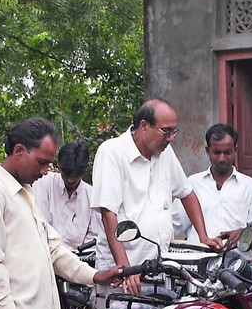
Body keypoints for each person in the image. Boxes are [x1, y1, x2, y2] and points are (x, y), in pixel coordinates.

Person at [0, 118, 121, 309]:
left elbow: (54, 249)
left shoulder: (26, 193)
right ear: (19, 150)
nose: (45, 171)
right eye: (41, 163)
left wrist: (93, 275)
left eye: (49, 165)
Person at [92, 99, 221, 294]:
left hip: (158, 269)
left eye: (174, 132)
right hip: (123, 273)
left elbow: (187, 193)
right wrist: (127, 269)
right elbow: (109, 214)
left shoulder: (165, 154)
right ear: (144, 126)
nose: (171, 138)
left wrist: (203, 236)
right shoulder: (112, 153)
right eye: (166, 131)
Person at [172, 123, 252, 248]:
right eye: (216, 152)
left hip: (236, 263)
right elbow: (174, 226)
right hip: (197, 261)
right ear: (207, 151)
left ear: (235, 151)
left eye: (227, 153)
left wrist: (243, 235)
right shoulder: (192, 184)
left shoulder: (249, 187)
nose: (222, 158)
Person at [32, 141, 100, 250]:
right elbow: (37, 224)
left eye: (75, 175)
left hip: (76, 261)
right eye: (66, 174)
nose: (70, 180)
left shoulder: (92, 197)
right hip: (41, 254)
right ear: (59, 167)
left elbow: (94, 238)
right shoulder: (44, 184)